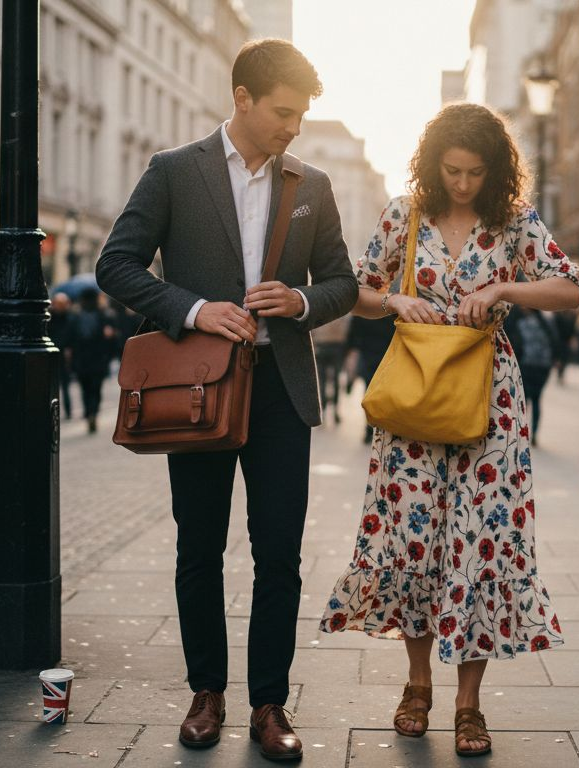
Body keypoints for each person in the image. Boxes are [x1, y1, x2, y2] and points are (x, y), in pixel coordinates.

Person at [94, 39, 357, 762]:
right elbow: (115, 264)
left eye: (301, 116)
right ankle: (205, 693)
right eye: (283, 112)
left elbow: (344, 282)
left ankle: (269, 704)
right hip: (198, 386)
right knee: (199, 546)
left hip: (281, 390)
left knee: (280, 553)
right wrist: (194, 309)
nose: (292, 128)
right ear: (241, 97)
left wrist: (301, 299)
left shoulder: (312, 184)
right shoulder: (175, 171)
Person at [318, 103, 579, 758]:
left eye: (475, 173)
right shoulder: (404, 215)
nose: (462, 184)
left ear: (495, 170)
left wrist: (505, 293)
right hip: (414, 401)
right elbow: (353, 289)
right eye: (452, 171)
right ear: (434, 163)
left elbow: (569, 288)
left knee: (482, 546)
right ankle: (416, 686)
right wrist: (394, 300)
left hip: (489, 403)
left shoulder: (514, 220)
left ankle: (468, 703)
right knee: (414, 542)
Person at [507, 304, 558, 444]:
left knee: (525, 400)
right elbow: (554, 341)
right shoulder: (544, 323)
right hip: (542, 366)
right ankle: (531, 433)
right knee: (535, 400)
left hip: (527, 365)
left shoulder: (518, 321)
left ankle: (523, 432)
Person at [64, 287, 113, 434]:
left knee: (85, 388)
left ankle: (89, 411)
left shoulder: (75, 317)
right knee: (96, 388)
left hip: (81, 359)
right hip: (98, 358)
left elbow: (69, 339)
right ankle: (93, 411)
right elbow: (111, 339)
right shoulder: (103, 315)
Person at [346, 314, 396, 443]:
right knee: (384, 395)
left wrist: (351, 350)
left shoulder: (364, 311)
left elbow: (353, 335)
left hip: (368, 356)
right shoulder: (391, 311)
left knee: (368, 393)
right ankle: (378, 428)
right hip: (387, 356)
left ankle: (369, 429)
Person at [311, 313, 350, 424]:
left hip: (324, 346)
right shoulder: (340, 313)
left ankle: (324, 408)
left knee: (323, 380)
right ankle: (334, 410)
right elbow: (346, 332)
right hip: (335, 348)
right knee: (334, 380)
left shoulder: (319, 313)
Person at [47, 292, 76, 419]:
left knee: (65, 384)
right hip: (53, 354)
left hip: (64, 355)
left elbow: (73, 336)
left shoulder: (71, 318)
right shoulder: (50, 318)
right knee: (52, 385)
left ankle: (68, 410)